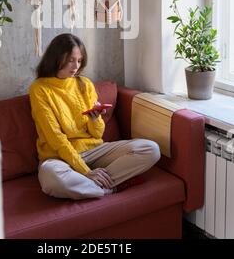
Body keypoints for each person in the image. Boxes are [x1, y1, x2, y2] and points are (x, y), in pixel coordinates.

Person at [29, 33, 160, 200]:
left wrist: (94, 118)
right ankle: (110, 188)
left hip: (94, 151)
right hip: (59, 157)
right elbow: (55, 138)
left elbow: (97, 134)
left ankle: (91, 186)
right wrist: (86, 171)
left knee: (151, 149)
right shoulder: (39, 89)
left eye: (79, 60)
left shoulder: (85, 84)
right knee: (51, 180)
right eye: (70, 60)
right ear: (56, 57)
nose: (76, 66)